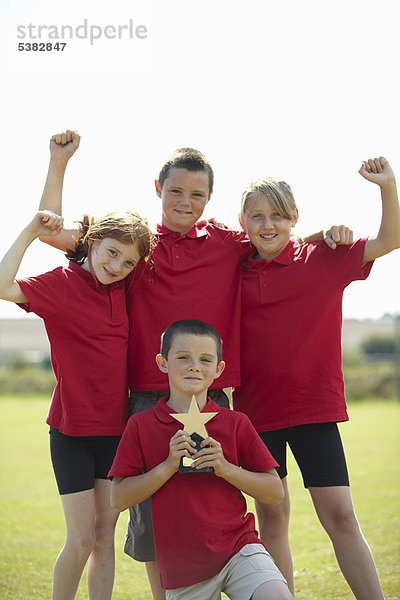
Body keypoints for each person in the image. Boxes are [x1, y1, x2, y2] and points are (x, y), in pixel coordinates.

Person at [38, 131, 350, 599]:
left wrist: (322, 237)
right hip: (147, 398)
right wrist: (58, 162)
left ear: (210, 198)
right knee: (152, 521)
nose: (186, 202)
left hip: (212, 394)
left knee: (214, 508)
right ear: (157, 188)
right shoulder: (134, 243)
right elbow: (48, 231)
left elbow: (272, 238)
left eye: (197, 194)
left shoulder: (226, 242)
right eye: (176, 191)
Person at [233, 156, 400, 599]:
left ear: (294, 217)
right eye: (257, 216)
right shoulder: (233, 269)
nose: (268, 225)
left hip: (314, 410)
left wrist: (386, 185)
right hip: (255, 415)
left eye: (278, 215)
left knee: (341, 517)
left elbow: (391, 239)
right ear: (243, 221)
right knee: (272, 518)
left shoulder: (324, 258)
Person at [0, 201, 154, 599]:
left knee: (105, 537)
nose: (118, 266)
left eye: (129, 261)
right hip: (70, 433)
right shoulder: (59, 284)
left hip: (114, 433)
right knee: (82, 539)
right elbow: (2, 285)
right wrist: (31, 232)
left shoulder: (122, 288)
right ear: (93, 242)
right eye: (112, 253)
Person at [109, 319, 294, 600]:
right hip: (183, 566)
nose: (194, 366)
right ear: (163, 363)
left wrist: (225, 468)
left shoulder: (236, 423)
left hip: (239, 547)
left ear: (218, 370)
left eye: (205, 359)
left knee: (277, 595)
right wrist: (167, 466)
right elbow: (118, 499)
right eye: (183, 357)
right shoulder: (140, 425)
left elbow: (274, 492)